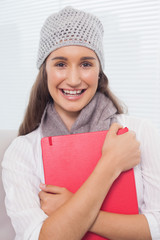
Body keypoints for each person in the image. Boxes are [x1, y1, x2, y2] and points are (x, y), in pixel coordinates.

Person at [2, 6, 160, 240]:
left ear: (99, 71)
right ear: (45, 71)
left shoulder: (138, 134)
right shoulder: (22, 152)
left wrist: (69, 209)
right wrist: (111, 164)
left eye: (86, 64)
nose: (74, 79)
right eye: (60, 64)